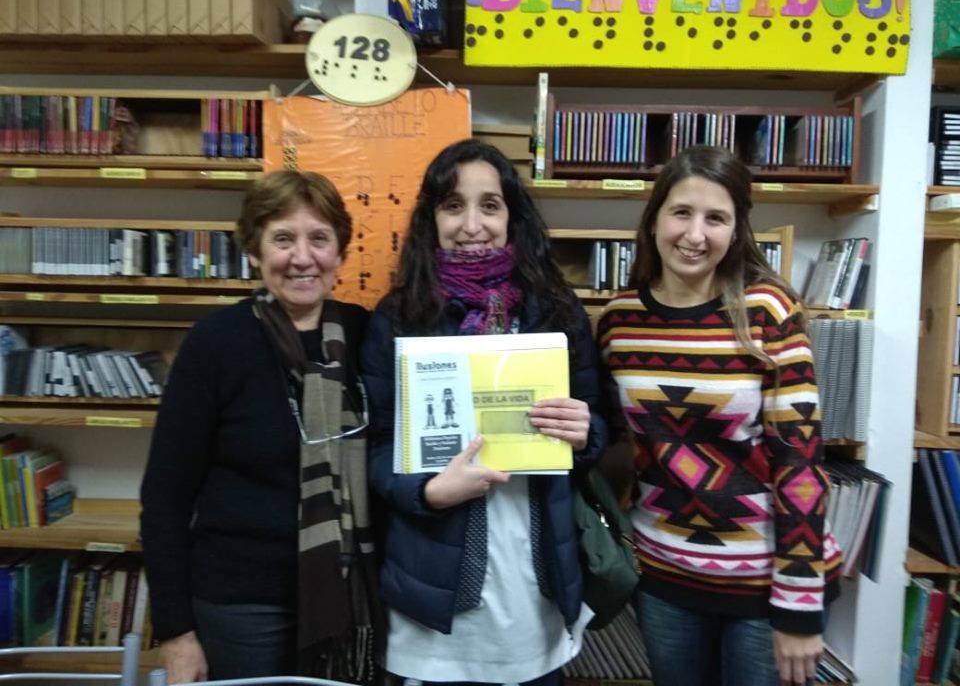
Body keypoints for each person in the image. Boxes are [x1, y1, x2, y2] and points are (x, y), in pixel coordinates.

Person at [361, 138, 607, 685]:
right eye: (453, 205)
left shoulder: (557, 311)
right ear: (432, 219)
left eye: (490, 205)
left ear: (512, 218)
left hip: (534, 593)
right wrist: (424, 493)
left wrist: (584, 432)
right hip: (435, 604)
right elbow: (376, 446)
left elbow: (596, 429)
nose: (472, 224)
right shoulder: (399, 316)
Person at [596, 146, 842, 686]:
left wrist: (800, 601)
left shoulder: (768, 312)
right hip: (662, 574)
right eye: (681, 212)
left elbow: (800, 461)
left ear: (737, 230)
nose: (695, 233)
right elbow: (615, 444)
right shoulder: (618, 320)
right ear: (655, 217)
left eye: (716, 218)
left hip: (762, 580)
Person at [140, 171, 380, 684]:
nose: (302, 257)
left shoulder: (367, 335)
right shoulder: (216, 343)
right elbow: (165, 498)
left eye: (319, 238)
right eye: (282, 239)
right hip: (240, 606)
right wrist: (177, 635)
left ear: (340, 251)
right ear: (254, 251)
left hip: (350, 592)